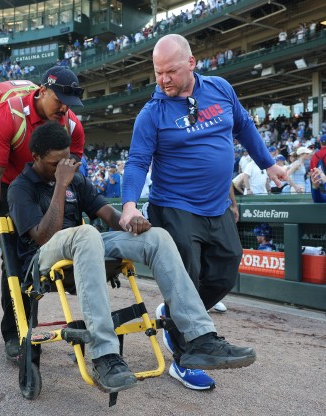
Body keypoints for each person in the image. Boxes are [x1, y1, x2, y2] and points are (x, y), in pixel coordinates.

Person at [8, 122, 256, 393]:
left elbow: (109, 216)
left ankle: (199, 337)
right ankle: (104, 354)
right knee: (87, 233)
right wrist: (60, 185)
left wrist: (131, 222)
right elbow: (43, 236)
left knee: (157, 237)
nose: (64, 168)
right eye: (56, 164)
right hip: (43, 258)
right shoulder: (21, 187)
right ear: (36, 158)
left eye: (67, 161)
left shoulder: (76, 181)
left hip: (86, 246)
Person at [119, 34, 286, 390]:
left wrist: (269, 165)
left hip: (217, 206)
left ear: (192, 63)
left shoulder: (221, 89)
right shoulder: (153, 113)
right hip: (176, 207)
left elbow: (243, 126)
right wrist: (130, 204)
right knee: (188, 278)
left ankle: (174, 312)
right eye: (158, 72)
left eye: (172, 72)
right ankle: (185, 358)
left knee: (226, 271)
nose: (163, 80)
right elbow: (136, 162)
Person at [0, 65, 86, 360]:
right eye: (59, 100)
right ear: (42, 91)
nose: (64, 108)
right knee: (13, 260)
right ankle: (14, 332)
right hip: (8, 184)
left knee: (40, 254)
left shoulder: (71, 123)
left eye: (69, 103)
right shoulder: (8, 116)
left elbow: (71, 170)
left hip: (45, 186)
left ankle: (35, 324)